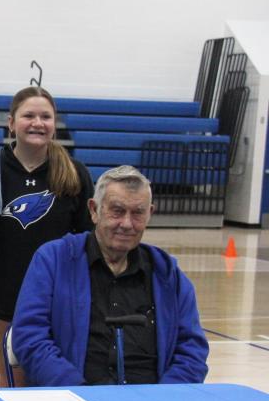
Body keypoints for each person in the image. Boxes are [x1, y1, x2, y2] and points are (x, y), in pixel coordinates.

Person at [11, 165, 209, 386]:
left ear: (150, 214)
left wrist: (162, 399)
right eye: (117, 210)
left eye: (137, 213)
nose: (126, 224)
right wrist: (77, 392)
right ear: (94, 210)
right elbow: (30, 337)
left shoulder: (167, 273)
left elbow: (192, 351)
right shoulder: (53, 260)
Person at [0, 87, 94, 387]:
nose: (37, 123)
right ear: (12, 122)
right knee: (11, 380)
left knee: (56, 380)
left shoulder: (74, 173)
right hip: (5, 296)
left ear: (55, 124)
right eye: (29, 115)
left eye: (46, 116)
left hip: (59, 296)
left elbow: (87, 238)